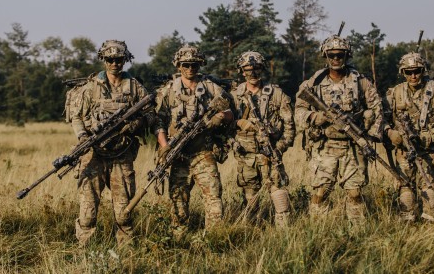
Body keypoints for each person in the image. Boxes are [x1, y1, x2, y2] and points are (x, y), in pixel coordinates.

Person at [70, 40, 156, 247]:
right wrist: (83, 137)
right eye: (110, 59)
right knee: (88, 211)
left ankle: (127, 256)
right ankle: (86, 252)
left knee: (124, 211)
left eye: (118, 59)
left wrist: (137, 123)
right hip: (94, 154)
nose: (114, 63)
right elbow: (77, 117)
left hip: (121, 154)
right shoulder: (90, 88)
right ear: (103, 60)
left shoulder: (134, 87)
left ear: (124, 60)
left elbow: (151, 114)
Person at [295, 34, 384, 224]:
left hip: (352, 146)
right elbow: (299, 111)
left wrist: (371, 135)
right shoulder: (314, 83)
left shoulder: (361, 82)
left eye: (340, 55)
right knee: (320, 192)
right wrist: (315, 117)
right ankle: (318, 231)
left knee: (355, 192)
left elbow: (377, 108)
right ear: (325, 56)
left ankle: (358, 232)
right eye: (332, 55)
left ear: (346, 56)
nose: (336, 59)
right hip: (324, 146)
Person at [154, 45, 234, 239]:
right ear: (179, 65)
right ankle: (179, 241)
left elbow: (231, 111)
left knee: (214, 197)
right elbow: (157, 121)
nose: (190, 68)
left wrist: (219, 118)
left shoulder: (210, 87)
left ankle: (215, 239)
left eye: (195, 64)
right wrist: (164, 146)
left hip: (203, 153)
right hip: (178, 155)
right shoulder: (168, 91)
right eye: (186, 64)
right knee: (178, 201)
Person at [384, 52, 434, 222]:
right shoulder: (395, 93)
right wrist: (389, 132)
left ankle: (431, 234)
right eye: (409, 72)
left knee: (430, 192)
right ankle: (408, 230)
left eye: (417, 71)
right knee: (405, 191)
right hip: (404, 152)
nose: (413, 75)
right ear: (403, 72)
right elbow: (382, 119)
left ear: (423, 70)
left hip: (431, 151)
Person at [231, 51, 295, 227]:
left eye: (256, 68)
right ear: (242, 71)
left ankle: (285, 237)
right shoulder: (234, 96)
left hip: (272, 155)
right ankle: (251, 237)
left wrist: (279, 148)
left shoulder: (277, 94)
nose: (252, 73)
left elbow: (290, 128)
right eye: (248, 69)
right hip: (246, 158)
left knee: (280, 198)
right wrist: (239, 125)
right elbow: (224, 128)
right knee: (250, 202)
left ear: (262, 69)